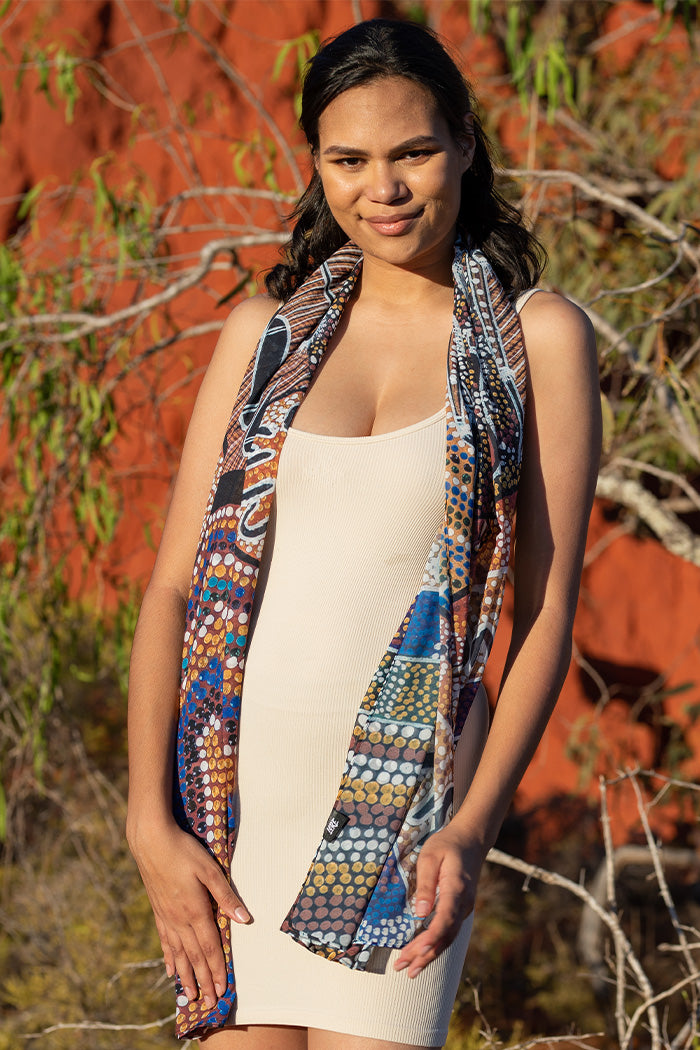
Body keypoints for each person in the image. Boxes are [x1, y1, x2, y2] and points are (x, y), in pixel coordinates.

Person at [126, 18, 601, 1050]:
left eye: (412, 152)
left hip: (406, 822)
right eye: (348, 160)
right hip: (229, 806)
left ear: (464, 144)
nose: (381, 188)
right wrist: (147, 822)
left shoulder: (538, 338)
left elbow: (544, 614)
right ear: (316, 164)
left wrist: (471, 828)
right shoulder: (262, 337)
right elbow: (171, 590)